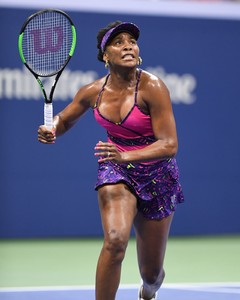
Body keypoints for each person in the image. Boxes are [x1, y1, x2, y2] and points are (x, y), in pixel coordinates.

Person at [38, 20, 184, 300]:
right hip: (116, 169)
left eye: (132, 41)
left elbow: (170, 144)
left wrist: (126, 154)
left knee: (151, 273)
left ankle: (150, 289)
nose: (128, 45)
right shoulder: (93, 91)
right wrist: (52, 127)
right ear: (106, 55)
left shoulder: (153, 87)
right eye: (118, 42)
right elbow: (65, 118)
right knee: (115, 240)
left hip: (158, 175)